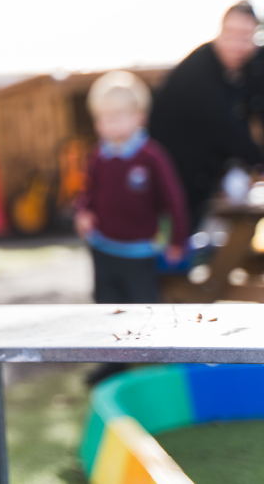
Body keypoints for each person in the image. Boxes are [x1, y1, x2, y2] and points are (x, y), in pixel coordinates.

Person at [75, 72, 190, 382]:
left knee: (144, 306)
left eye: (116, 117)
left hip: (139, 251)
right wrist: (83, 211)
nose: (108, 125)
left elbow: (173, 199)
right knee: (106, 307)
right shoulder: (98, 155)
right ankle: (114, 363)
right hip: (103, 246)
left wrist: (178, 240)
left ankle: (157, 362)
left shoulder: (151, 156)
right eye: (102, 118)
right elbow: (88, 192)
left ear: (138, 117)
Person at [149, 1, 264, 227]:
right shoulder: (199, 69)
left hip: (203, 179)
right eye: (230, 33)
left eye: (245, 36)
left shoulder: (247, 69)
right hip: (170, 178)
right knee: (175, 237)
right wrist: (259, 165)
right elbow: (224, 126)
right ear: (219, 33)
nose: (236, 44)